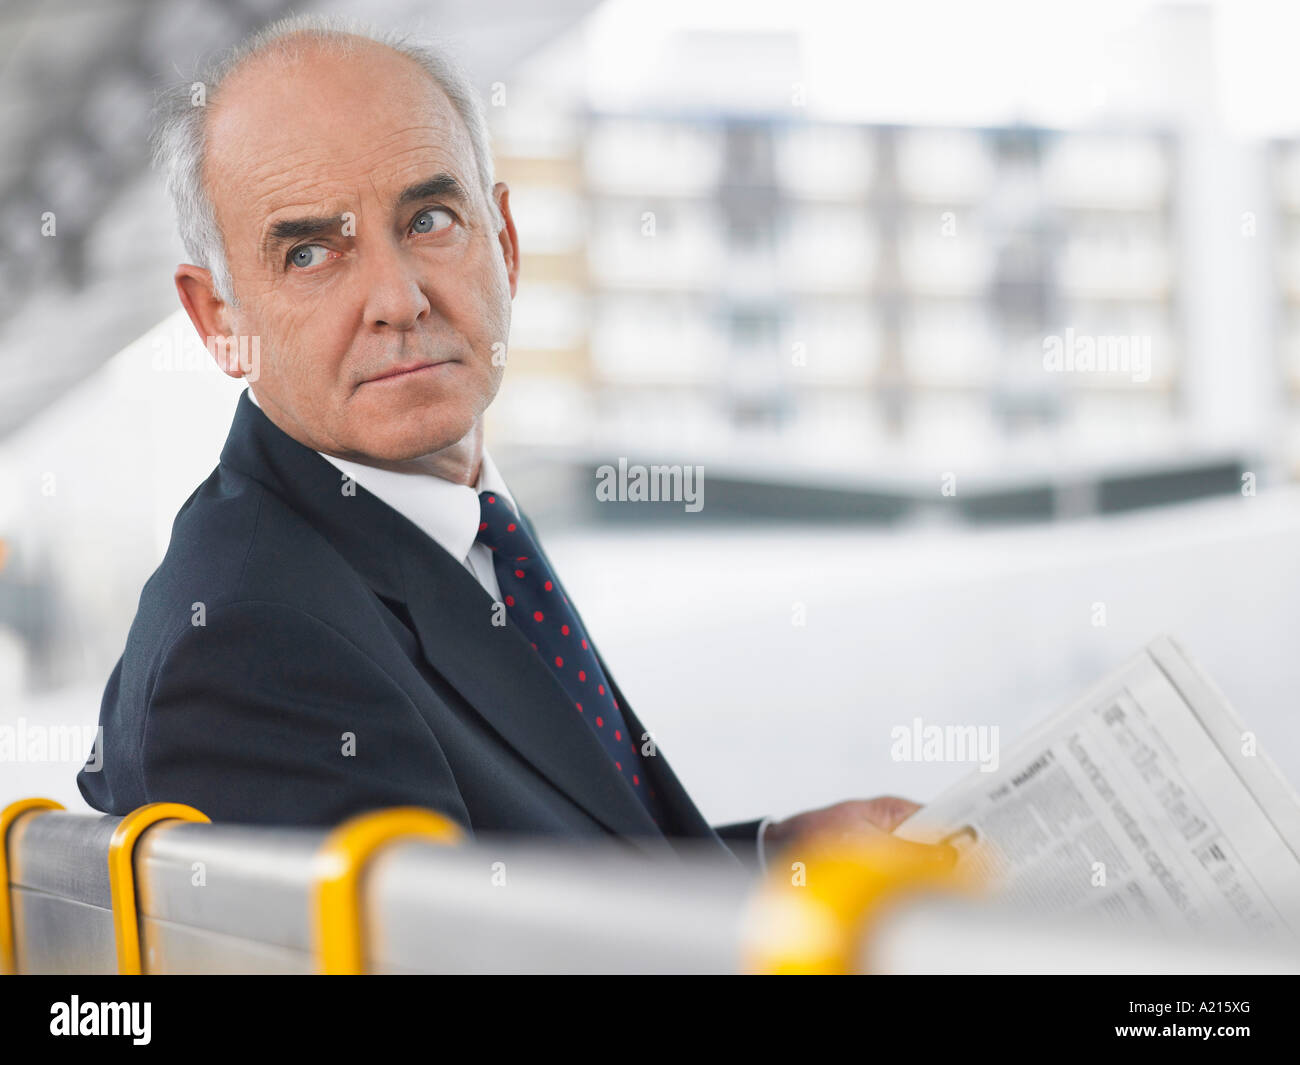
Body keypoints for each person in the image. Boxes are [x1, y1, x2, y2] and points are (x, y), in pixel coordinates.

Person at [77, 16, 946, 875]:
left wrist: (780, 858)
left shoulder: (454, 523)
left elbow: (553, 889)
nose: (398, 298)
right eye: (310, 252)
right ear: (218, 321)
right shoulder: (248, 646)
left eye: (427, 222)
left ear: (507, 245)